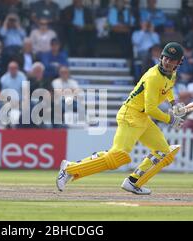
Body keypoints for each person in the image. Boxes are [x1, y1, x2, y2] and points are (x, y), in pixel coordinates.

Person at [56, 42, 186, 195]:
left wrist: (173, 103)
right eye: (166, 58)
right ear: (161, 57)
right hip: (130, 115)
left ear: (179, 62)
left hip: (142, 117)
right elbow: (151, 108)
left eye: (172, 60)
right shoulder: (153, 77)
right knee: (118, 156)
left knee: (164, 152)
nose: (167, 62)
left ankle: (133, 182)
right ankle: (70, 169)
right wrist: (171, 120)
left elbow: (167, 89)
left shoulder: (172, 73)